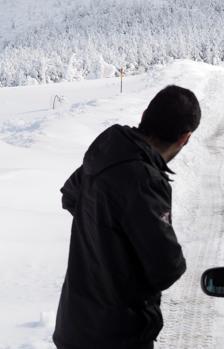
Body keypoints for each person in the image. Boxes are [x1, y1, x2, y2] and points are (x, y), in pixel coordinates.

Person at [53, 85, 201, 349]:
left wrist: (105, 238)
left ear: (145, 115)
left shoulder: (108, 150)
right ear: (185, 138)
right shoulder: (144, 181)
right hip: (117, 336)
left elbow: (71, 196)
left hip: (74, 327)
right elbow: (167, 268)